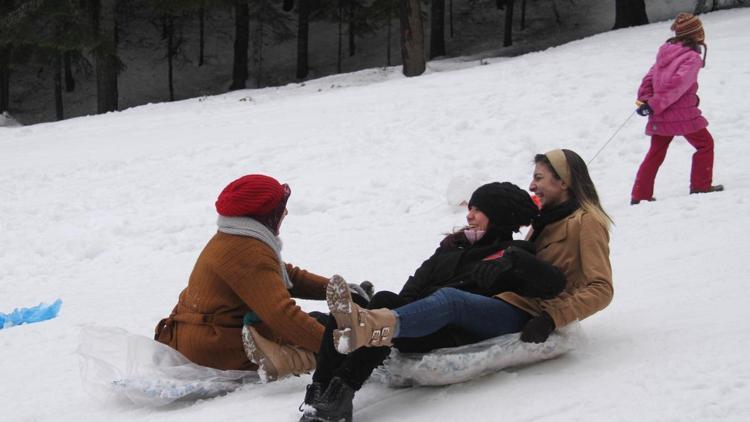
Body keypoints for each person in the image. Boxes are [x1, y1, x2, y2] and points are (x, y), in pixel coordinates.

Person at [317, 149, 614, 422]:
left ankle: (368, 326)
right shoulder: (543, 222)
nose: (532, 185)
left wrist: (553, 318)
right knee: (385, 299)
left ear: (564, 182)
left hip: (532, 312)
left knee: (451, 300)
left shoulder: (585, 222)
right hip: (508, 301)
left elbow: (601, 287)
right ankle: (326, 384)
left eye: (539, 178)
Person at [292, 181, 566, 422]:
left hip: (451, 331)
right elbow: (414, 285)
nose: (469, 215)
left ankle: (343, 390)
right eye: (469, 208)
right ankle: (321, 391)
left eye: (477, 210)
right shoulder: (452, 247)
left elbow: (552, 284)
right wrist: (405, 309)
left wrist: (512, 262)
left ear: (499, 216)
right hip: (418, 323)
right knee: (376, 301)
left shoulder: (514, 252)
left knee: (380, 311)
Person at [154, 174, 341, 380]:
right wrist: (341, 349)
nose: (285, 212)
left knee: (318, 323)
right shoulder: (248, 252)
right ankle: (286, 358)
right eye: (280, 208)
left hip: (198, 335)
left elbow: (281, 274)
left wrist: (335, 289)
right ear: (265, 215)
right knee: (315, 332)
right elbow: (282, 315)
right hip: (216, 347)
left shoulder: (234, 237)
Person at [631, 12, 723, 205]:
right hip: (682, 114)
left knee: (656, 152)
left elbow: (649, 78)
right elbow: (678, 84)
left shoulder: (666, 52)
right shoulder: (692, 57)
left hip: (661, 113)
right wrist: (652, 104)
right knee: (705, 144)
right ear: (696, 34)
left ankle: (640, 195)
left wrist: (647, 100)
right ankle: (701, 185)